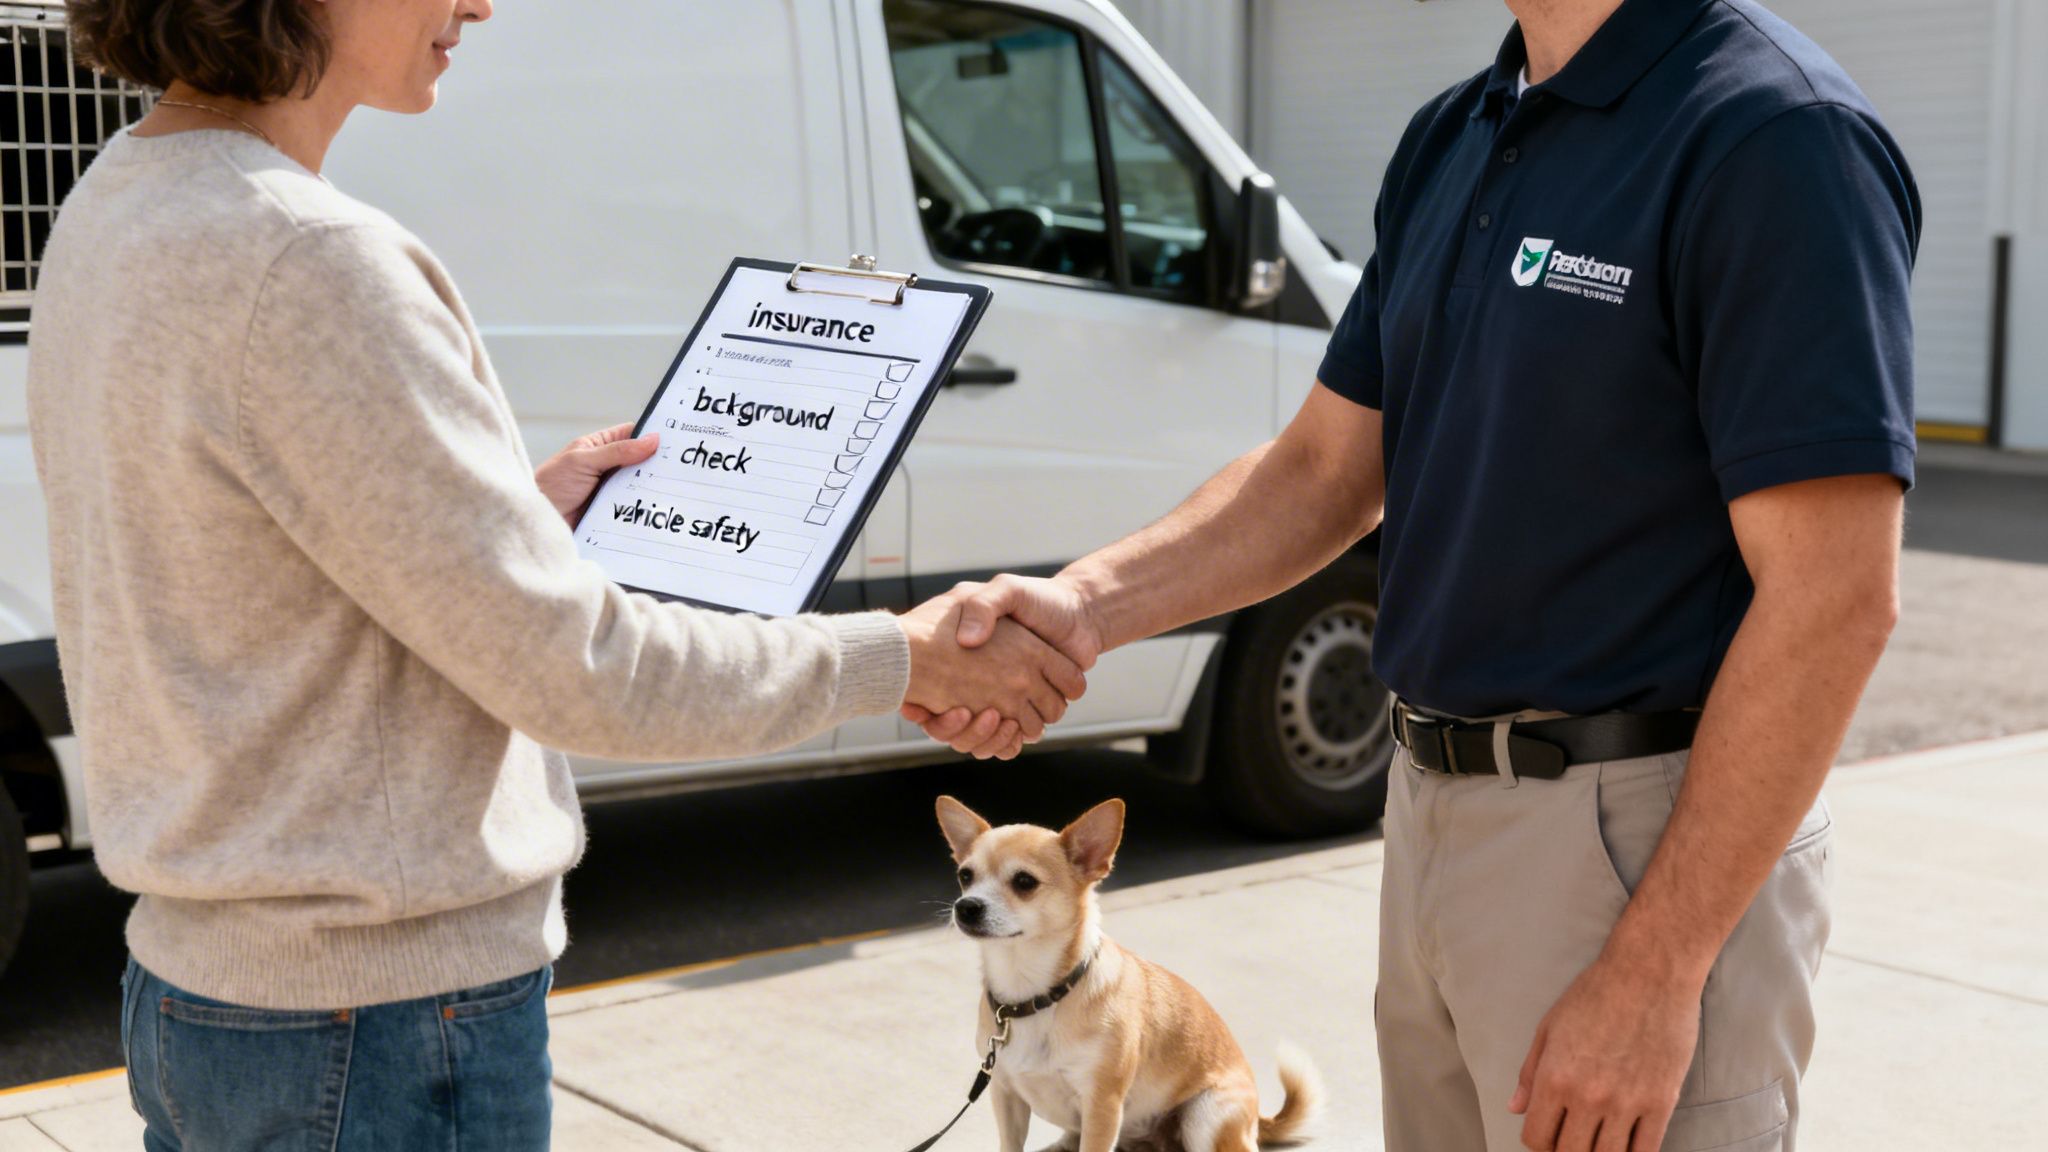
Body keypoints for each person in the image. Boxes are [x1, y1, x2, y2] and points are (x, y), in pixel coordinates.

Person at [30, 1, 1079, 1148]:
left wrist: (507, 522)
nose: (480, 1)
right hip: (371, 1031)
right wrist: (898, 655)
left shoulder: (119, 202)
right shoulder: (309, 256)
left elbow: (237, 576)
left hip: (212, 1004)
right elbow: (584, 673)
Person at [908, 0, 1917, 1148]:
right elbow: (1324, 472)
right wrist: (1082, 606)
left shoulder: (1774, 138)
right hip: (1431, 811)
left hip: (1633, 835)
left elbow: (1832, 598)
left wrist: (1652, 972)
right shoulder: (1461, 132)